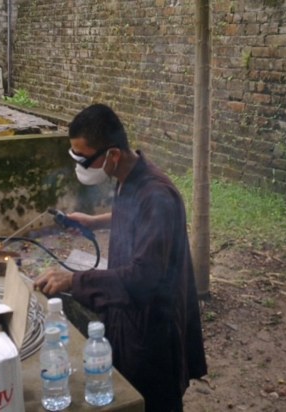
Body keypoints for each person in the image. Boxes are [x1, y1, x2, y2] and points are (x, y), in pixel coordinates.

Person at [34, 103, 207, 412]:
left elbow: (143, 278)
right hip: (129, 318)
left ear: (112, 154)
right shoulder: (128, 175)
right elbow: (134, 215)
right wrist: (94, 221)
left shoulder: (158, 196)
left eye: (84, 159)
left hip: (155, 331)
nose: (79, 166)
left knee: (153, 400)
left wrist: (73, 280)